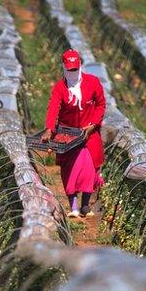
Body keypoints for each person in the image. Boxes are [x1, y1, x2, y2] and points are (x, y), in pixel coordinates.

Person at [42, 49, 106, 218]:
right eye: (69, 70)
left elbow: (101, 105)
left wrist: (92, 125)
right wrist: (50, 128)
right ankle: (74, 205)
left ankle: (85, 204)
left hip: (89, 133)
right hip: (67, 135)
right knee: (70, 169)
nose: (72, 72)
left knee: (90, 168)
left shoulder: (92, 82)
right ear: (64, 67)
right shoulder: (60, 88)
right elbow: (53, 108)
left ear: (79, 66)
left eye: (75, 69)